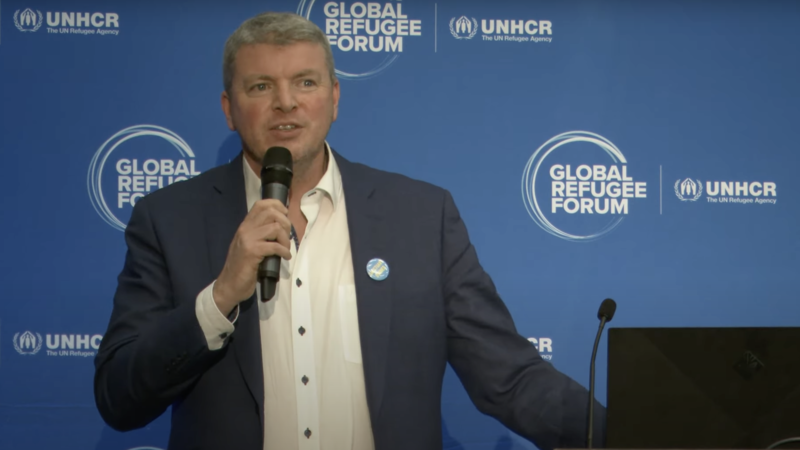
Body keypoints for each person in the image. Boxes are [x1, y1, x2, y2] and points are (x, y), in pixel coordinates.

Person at [94, 11, 606, 450]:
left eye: (306, 82)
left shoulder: (421, 218)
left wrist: (626, 434)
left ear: (334, 98)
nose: (286, 103)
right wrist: (221, 296)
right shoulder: (168, 219)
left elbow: (510, 377)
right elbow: (120, 397)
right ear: (230, 109)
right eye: (260, 87)